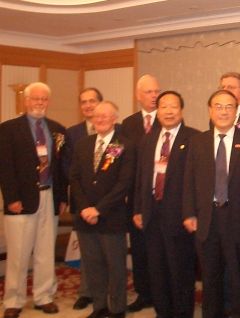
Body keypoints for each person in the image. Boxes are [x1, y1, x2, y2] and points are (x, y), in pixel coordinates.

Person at [183, 90, 240, 318]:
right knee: (210, 277)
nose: (223, 111)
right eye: (218, 106)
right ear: (210, 110)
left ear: (236, 111)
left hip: (238, 220)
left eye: (229, 106)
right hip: (207, 219)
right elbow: (188, 181)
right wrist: (189, 213)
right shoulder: (197, 142)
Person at [0, 82, 67, 318]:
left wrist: (62, 197)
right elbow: (4, 166)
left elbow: (61, 168)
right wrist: (11, 198)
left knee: (46, 251)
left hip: (50, 197)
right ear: (26, 101)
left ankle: (44, 296)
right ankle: (13, 301)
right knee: (19, 254)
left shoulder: (57, 130)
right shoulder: (9, 128)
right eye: (35, 98)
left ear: (49, 102)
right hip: (21, 201)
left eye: (44, 99)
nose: (40, 102)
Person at [133, 91, 200, 318]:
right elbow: (141, 177)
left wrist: (192, 212)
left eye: (173, 106)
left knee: (180, 270)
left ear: (181, 110)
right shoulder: (148, 139)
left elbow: (198, 181)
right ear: (157, 111)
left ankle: (182, 313)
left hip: (180, 215)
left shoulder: (194, 138)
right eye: (163, 107)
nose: (168, 111)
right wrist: (138, 209)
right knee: (157, 269)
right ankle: (162, 312)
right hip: (152, 212)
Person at [70, 101, 135, 318]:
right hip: (85, 217)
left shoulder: (125, 145)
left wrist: (98, 209)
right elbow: (74, 178)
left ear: (114, 119)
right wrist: (85, 208)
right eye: (97, 116)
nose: (100, 120)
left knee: (116, 267)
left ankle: (117, 308)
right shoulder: (83, 144)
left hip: (112, 217)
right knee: (93, 265)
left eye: (105, 116)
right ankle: (99, 306)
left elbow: (124, 183)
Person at [120, 74, 160, 312]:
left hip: (161, 195)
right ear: (138, 96)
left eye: (157, 91)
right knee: (139, 248)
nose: (154, 96)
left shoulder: (167, 120)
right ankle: (143, 293)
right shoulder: (128, 124)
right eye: (149, 92)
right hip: (136, 197)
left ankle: (161, 292)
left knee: (158, 248)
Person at [63, 87, 103, 311]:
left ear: (100, 103)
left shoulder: (116, 130)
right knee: (87, 251)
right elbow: (68, 168)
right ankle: (86, 292)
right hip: (81, 201)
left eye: (92, 101)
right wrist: (84, 197)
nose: (88, 105)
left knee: (107, 251)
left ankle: (107, 291)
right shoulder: (72, 133)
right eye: (84, 102)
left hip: (106, 203)